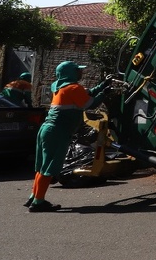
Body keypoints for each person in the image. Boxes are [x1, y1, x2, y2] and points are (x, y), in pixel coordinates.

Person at [25, 61, 110, 212]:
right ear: (71, 73)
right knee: (50, 168)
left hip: (46, 130)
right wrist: (105, 93)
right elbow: (90, 104)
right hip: (58, 132)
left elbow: (85, 93)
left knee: (42, 166)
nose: (81, 73)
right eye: (78, 70)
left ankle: (34, 195)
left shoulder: (59, 86)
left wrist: (102, 85)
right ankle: (38, 202)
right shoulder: (74, 88)